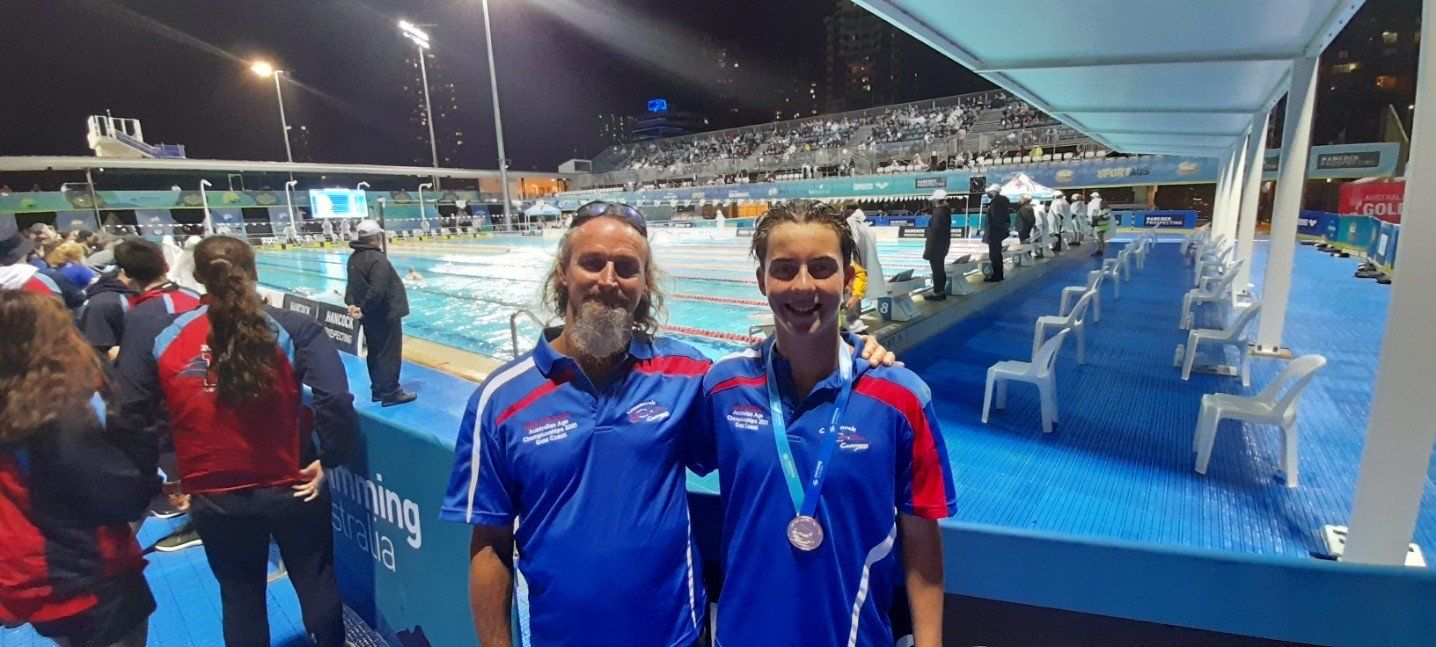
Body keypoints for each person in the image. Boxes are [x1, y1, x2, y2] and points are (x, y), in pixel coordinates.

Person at [440, 201, 894, 646]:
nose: (608, 280)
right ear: (563, 272)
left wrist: (852, 350)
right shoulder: (500, 400)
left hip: (678, 633)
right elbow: (490, 546)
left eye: (626, 267)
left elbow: (773, 399)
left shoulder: (687, 373)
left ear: (645, 282)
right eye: (592, 263)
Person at [693, 201, 955, 646]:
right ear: (761, 281)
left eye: (821, 267)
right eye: (784, 269)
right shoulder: (723, 387)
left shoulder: (902, 398)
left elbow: (922, 546)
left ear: (849, 280)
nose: (802, 286)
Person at [113, 236, 358, 647]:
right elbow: (334, 397)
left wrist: (166, 476)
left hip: (214, 494)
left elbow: (130, 415)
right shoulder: (293, 327)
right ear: (255, 270)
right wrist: (331, 458)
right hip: (293, 481)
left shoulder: (162, 334)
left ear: (196, 277)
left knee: (240, 595)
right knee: (315, 579)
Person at [0, 291, 160, 647]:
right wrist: (139, 432)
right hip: (88, 581)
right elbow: (126, 499)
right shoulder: (55, 419)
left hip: (30, 580)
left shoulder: (14, 409)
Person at [345, 220, 417, 406]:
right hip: (384, 315)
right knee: (388, 354)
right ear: (377, 238)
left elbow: (351, 287)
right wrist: (364, 308)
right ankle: (390, 393)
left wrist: (352, 304)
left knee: (375, 352)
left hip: (369, 316)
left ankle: (378, 390)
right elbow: (378, 290)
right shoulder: (378, 260)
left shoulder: (354, 258)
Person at [922, 190, 951, 300]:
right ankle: (940, 290)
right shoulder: (945, 211)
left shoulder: (939, 213)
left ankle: (938, 292)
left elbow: (934, 232)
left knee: (937, 269)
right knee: (940, 268)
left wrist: (928, 250)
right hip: (943, 244)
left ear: (935, 200)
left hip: (936, 246)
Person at [983, 184, 1012, 282]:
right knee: (996, 253)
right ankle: (998, 274)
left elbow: (996, 219)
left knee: (994, 254)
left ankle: (997, 275)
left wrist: (992, 232)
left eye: (989, 192)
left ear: (993, 192)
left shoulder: (996, 203)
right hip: (997, 232)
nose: (988, 194)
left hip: (994, 232)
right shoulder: (1001, 202)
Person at [1089, 191, 1111, 256]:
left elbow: (1097, 217)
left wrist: (1093, 224)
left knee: (1100, 239)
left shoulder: (1100, 209)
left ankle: (1100, 251)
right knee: (1100, 239)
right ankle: (1100, 250)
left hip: (1100, 226)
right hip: (1104, 226)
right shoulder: (1107, 208)